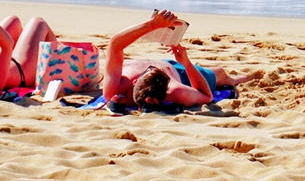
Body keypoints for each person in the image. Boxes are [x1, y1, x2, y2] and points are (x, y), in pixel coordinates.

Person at [104, 10, 256, 109]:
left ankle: (234, 79)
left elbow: (115, 44)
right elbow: (207, 96)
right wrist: (186, 63)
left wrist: (152, 25)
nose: (151, 67)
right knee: (220, 74)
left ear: (135, 82)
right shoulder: (177, 91)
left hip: (171, 65)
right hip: (181, 72)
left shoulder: (115, 89)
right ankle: (235, 80)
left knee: (218, 73)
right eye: (151, 70)